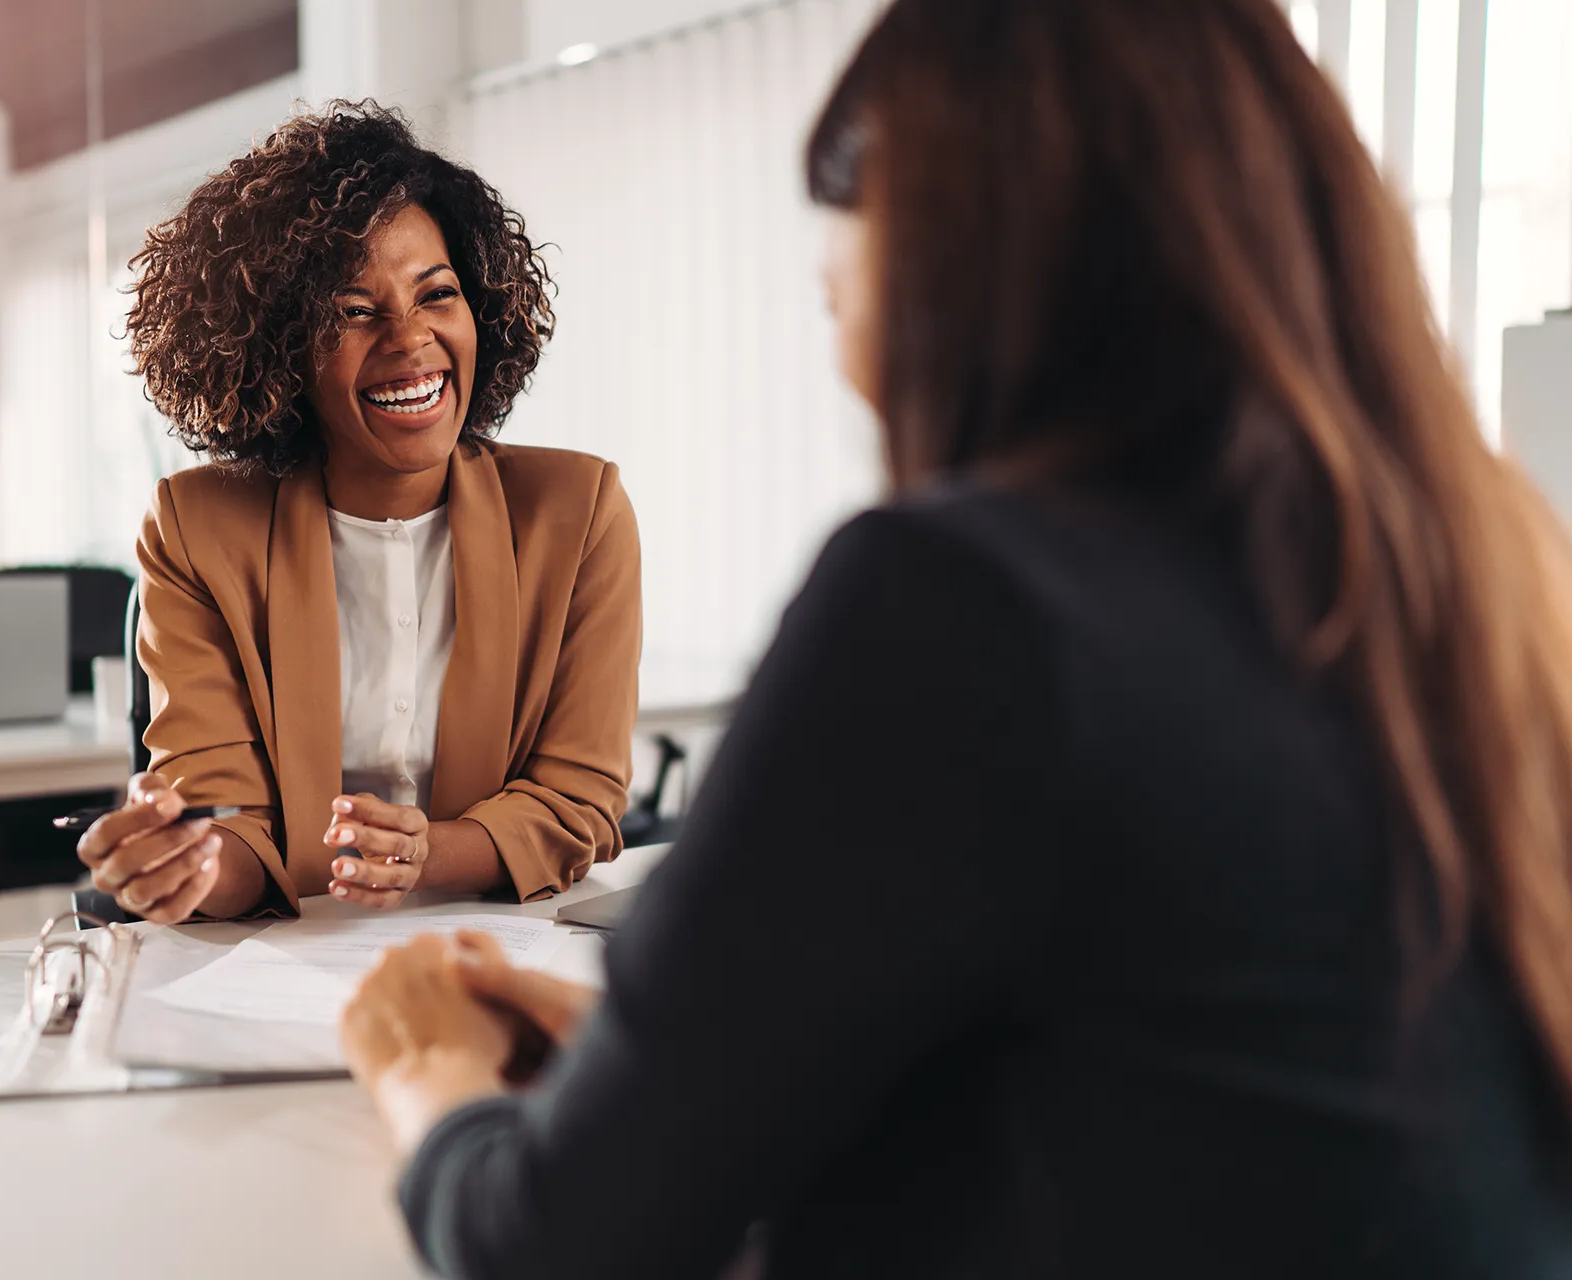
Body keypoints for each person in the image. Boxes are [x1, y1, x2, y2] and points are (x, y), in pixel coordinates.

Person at [339, 1, 1572, 1275]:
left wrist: (429, 1076)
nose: (853, 369)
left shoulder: (966, 603)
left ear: (956, 283)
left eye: (839, 301)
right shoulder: (1481, 578)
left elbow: (555, 1249)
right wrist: (667, 1061)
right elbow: (1187, 1094)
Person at [76, 103, 642, 923]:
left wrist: (426, 854)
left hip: (496, 941)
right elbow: (229, 823)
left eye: (436, 293)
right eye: (352, 310)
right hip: (280, 958)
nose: (410, 340)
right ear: (279, 347)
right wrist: (184, 865)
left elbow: (577, 801)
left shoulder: (578, 512)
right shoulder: (198, 527)